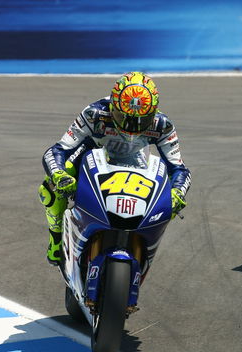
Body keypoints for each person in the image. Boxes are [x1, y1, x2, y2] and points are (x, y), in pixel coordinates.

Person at [38, 71, 191, 266]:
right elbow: (58, 150)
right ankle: (56, 238)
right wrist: (59, 174)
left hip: (136, 164)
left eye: (141, 120)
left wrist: (178, 192)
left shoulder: (163, 125)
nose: (131, 126)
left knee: (167, 201)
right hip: (92, 154)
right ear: (113, 106)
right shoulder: (94, 114)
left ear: (152, 113)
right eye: (123, 116)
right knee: (49, 188)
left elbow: (179, 169)